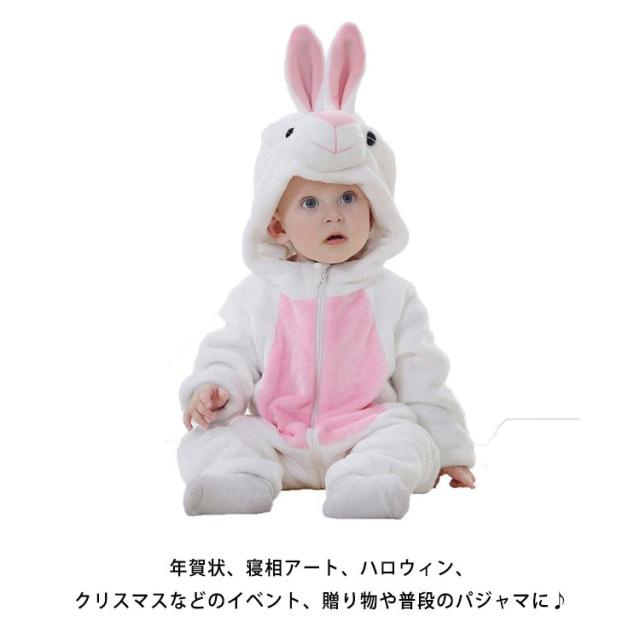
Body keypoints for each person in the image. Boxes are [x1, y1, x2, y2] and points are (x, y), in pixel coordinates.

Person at [177, 23, 476, 519]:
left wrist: (449, 450)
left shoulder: (393, 296)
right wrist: (216, 388)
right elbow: (230, 350)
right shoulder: (259, 294)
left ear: (376, 210)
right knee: (210, 438)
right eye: (310, 203)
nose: (333, 216)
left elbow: (422, 374)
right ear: (277, 225)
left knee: (408, 440)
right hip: (279, 439)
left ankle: (364, 487)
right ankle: (240, 482)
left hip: (363, 433)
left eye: (349, 198)